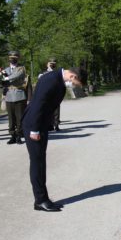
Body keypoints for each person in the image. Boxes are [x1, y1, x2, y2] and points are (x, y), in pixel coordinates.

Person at [22, 65, 87, 212]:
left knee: (41, 162)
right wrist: (34, 129)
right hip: (33, 124)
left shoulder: (58, 80)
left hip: (40, 124)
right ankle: (40, 200)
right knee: (37, 163)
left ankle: (43, 198)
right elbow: (39, 104)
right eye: (76, 84)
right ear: (73, 77)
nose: (74, 86)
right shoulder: (51, 80)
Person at [3, 51, 28, 144]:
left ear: (18, 58)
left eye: (15, 57)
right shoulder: (5, 69)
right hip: (9, 96)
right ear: (8, 58)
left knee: (19, 117)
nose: (13, 59)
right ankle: (12, 135)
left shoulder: (21, 68)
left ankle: (19, 135)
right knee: (11, 118)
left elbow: (16, 76)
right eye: (11, 57)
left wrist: (5, 78)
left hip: (19, 95)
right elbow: (2, 83)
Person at [39, 59, 61, 131]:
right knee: (47, 110)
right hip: (47, 94)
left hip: (55, 93)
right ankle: (49, 125)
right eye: (51, 63)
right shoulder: (43, 73)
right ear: (47, 64)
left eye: (54, 63)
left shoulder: (58, 73)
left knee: (56, 110)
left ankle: (56, 125)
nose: (52, 65)